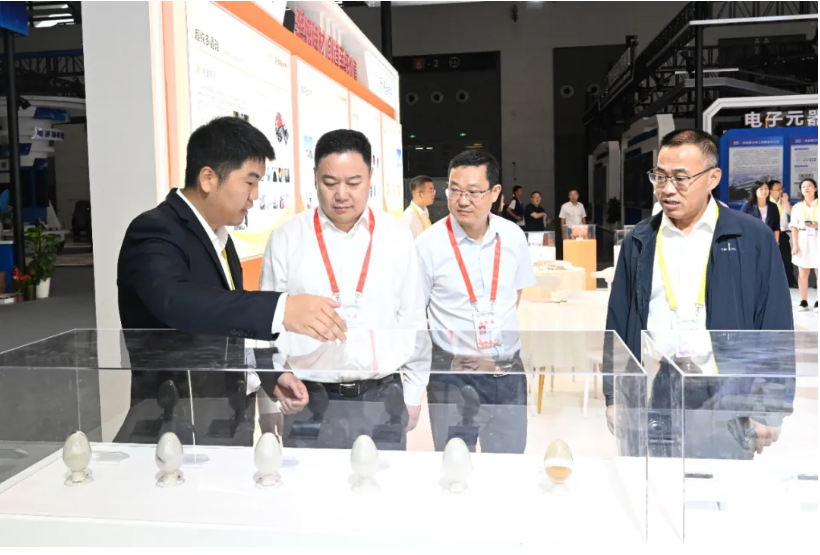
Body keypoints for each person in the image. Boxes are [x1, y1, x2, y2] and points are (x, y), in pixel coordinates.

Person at [117, 117, 347, 441]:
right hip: (178, 427)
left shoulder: (220, 238)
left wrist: (270, 374)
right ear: (208, 178)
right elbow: (177, 302)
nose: (255, 196)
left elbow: (228, 324)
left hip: (225, 422)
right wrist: (281, 309)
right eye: (250, 182)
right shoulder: (155, 231)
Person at [604, 129, 793, 453]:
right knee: (659, 477)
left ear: (712, 178)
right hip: (662, 384)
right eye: (660, 177)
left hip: (728, 389)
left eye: (680, 178)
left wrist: (770, 405)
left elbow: (774, 322)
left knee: (722, 480)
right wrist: (615, 394)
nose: (667, 189)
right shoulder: (640, 240)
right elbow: (618, 323)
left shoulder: (751, 238)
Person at [260, 129, 429, 448]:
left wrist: (414, 392)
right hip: (307, 397)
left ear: (370, 177)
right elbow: (265, 324)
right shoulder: (286, 239)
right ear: (315, 178)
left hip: (382, 396)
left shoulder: (396, 237)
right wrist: (269, 397)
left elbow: (413, 319)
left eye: (353, 183)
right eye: (330, 182)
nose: (341, 194)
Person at [416, 150, 536, 454]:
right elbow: (416, 313)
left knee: (508, 464)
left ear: (495, 192)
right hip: (452, 375)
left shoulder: (513, 237)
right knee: (455, 464)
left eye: (473, 192)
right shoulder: (427, 245)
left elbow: (515, 295)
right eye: (454, 190)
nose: (462, 200)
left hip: (505, 370)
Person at [790, 178, 819, 312]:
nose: (806, 188)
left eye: (809, 186)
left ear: (815, 188)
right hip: (803, 239)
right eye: (803, 186)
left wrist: (817, 225)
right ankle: (804, 301)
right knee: (803, 271)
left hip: (817, 238)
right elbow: (794, 227)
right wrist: (795, 245)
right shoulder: (797, 207)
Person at [769, 180, 798, 288]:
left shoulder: (783, 201)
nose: (781, 191)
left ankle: (790, 281)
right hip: (770, 233)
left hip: (782, 233)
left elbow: (792, 213)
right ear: (770, 191)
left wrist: (786, 201)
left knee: (786, 258)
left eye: (781, 189)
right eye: (778, 189)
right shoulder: (767, 202)